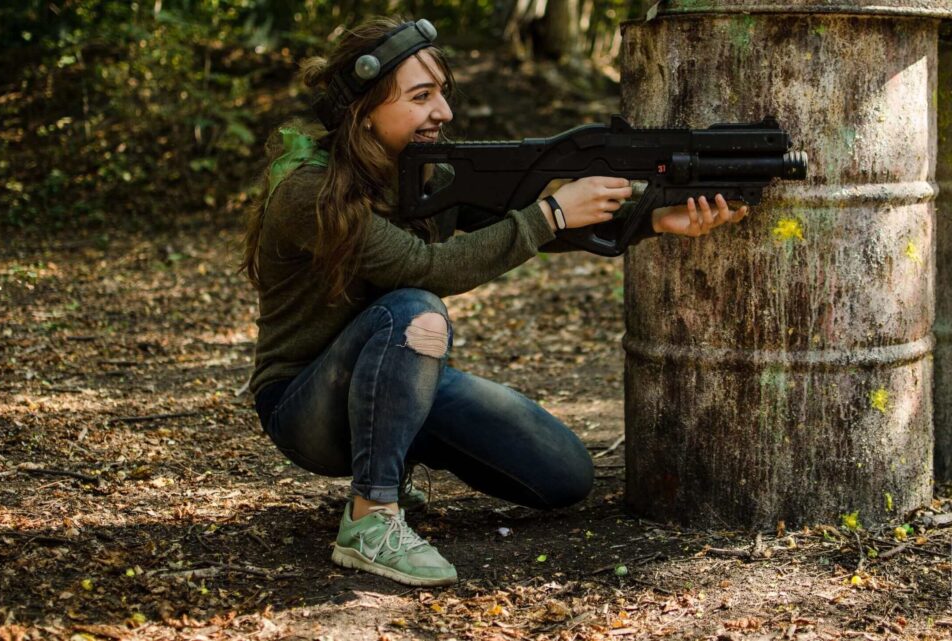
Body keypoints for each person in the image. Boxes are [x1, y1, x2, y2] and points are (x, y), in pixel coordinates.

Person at [239, 16, 748, 588]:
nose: (444, 113)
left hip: (403, 381)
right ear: (362, 110)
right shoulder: (309, 191)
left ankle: (393, 451)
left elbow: (515, 224)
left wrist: (652, 219)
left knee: (564, 477)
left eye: (443, 94)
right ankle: (371, 518)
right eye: (421, 96)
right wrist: (553, 211)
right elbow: (429, 266)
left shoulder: (426, 172)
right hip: (305, 406)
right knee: (415, 306)